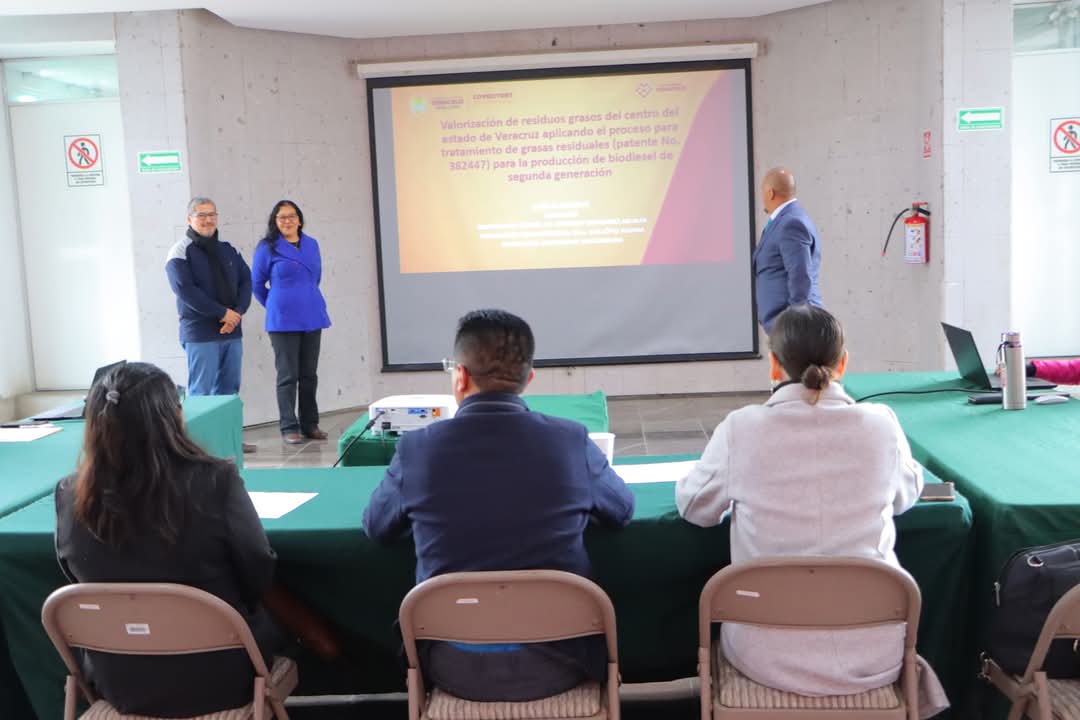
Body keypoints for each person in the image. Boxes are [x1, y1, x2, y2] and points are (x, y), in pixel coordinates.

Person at [675, 305, 945, 711]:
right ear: (843, 363)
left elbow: (695, 507)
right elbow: (906, 496)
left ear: (774, 365)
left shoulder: (741, 429)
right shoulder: (881, 425)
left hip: (765, 658)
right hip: (874, 655)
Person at [363, 309, 635, 702]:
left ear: (460, 376)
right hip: (562, 660)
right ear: (529, 378)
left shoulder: (417, 449)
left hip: (452, 665)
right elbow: (622, 511)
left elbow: (377, 527)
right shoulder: (570, 441)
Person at [54, 362, 281, 716]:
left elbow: (75, 576)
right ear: (173, 416)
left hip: (120, 682)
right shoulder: (216, 482)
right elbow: (258, 574)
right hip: (222, 680)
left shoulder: (69, 495)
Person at [166, 197, 255, 452]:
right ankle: (198, 446)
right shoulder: (180, 252)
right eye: (201, 215)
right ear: (189, 219)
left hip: (231, 331)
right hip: (201, 334)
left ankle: (228, 441)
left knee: (229, 390)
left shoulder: (228, 249)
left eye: (211, 214)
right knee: (201, 393)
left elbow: (246, 281)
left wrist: (236, 313)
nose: (208, 220)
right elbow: (186, 291)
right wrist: (222, 313)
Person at [252, 200, 331, 444]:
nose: (287, 221)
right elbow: (257, 284)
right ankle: (289, 426)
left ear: (299, 219)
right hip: (283, 319)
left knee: (309, 375)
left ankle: (310, 424)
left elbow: (315, 277)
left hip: (312, 315)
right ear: (275, 221)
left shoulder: (312, 244)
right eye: (282, 217)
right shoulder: (267, 247)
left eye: (291, 216)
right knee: (288, 375)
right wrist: (276, 304)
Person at [753, 168, 824, 333]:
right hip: (785, 327)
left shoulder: (790, 223)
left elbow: (800, 276)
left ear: (770, 193)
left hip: (795, 329)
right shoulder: (785, 220)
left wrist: (793, 324)